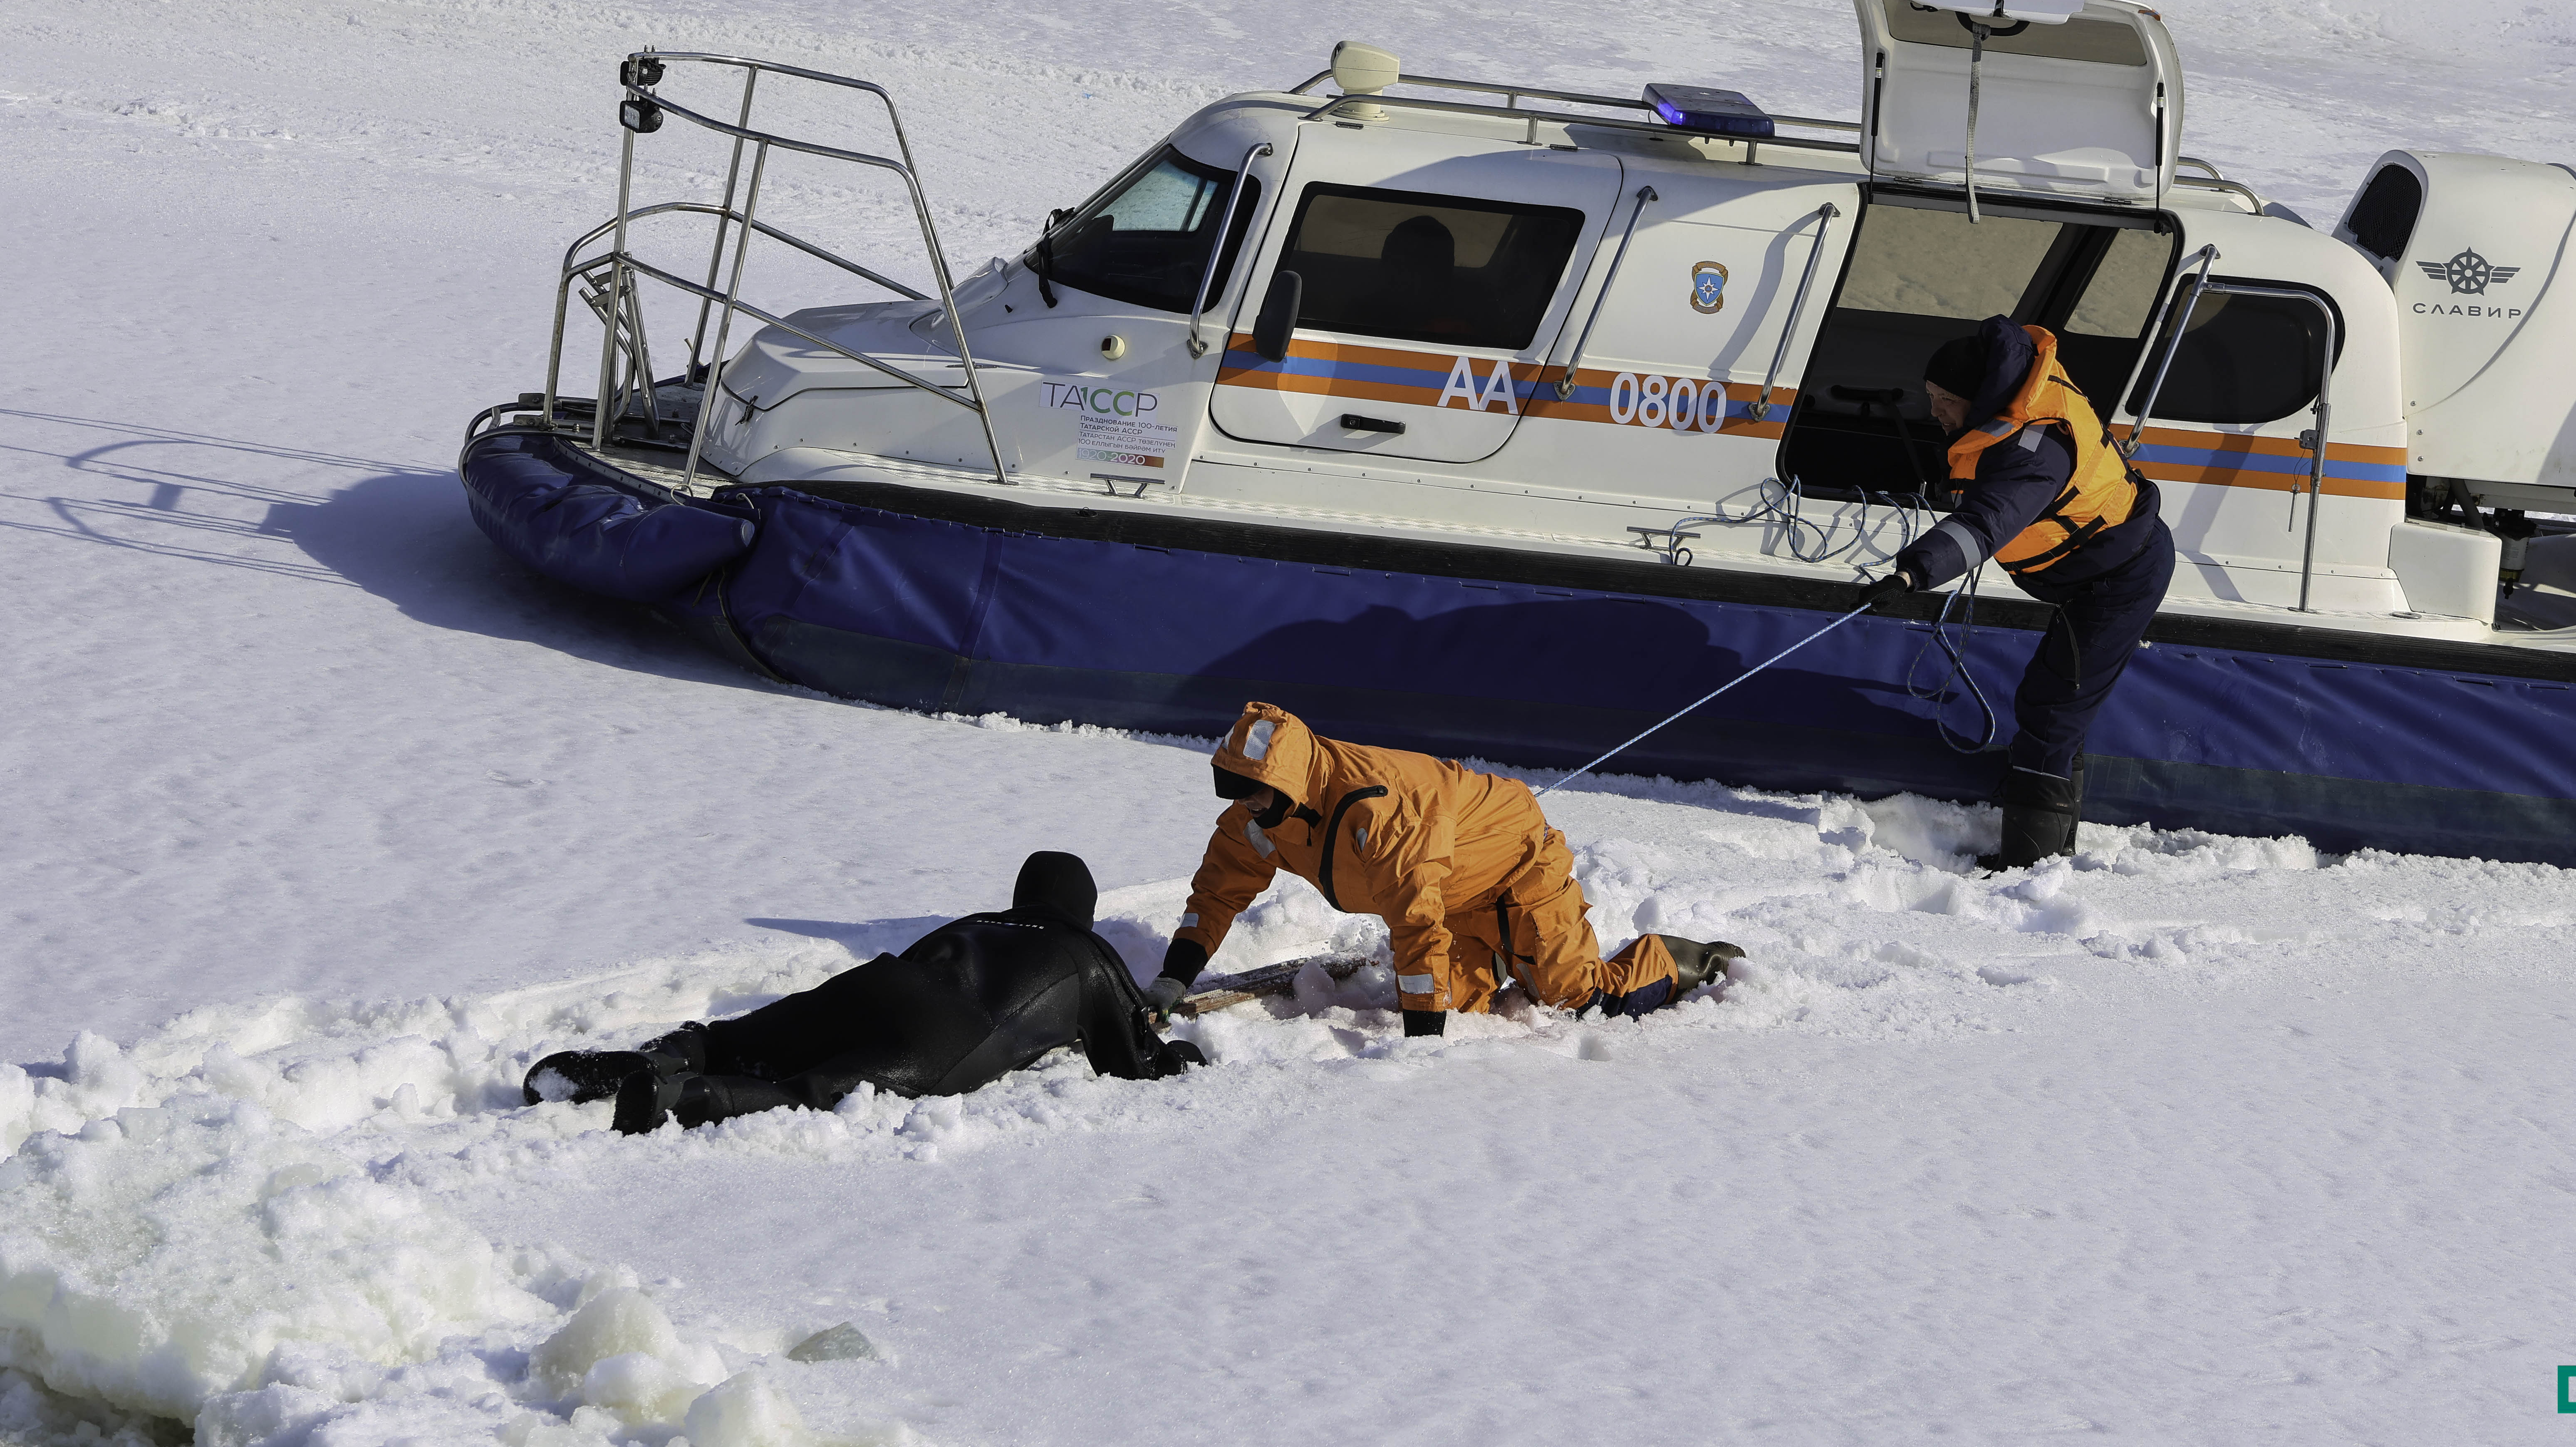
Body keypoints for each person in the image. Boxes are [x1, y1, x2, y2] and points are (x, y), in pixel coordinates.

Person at [1149, 703, 1743, 1033]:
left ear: (1292, 785)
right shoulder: (1259, 817)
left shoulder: (1376, 812)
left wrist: (1422, 1049)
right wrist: (1177, 974)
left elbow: (1415, 923)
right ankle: (1497, 969)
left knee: (1578, 1004)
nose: (1245, 806)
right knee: (1451, 1004)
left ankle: (1687, 961)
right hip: (1450, 894)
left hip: (1516, 870)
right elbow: (1218, 892)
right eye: (1238, 792)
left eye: (1254, 793)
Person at [524, 851, 1200, 1134]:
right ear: (1082, 908)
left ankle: (650, 1059)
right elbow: (1132, 1064)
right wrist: (1181, 1057)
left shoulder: (977, 923)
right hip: (945, 1035)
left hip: (881, 983)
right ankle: (676, 1100)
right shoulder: (1089, 955)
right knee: (817, 1091)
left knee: (743, 1039)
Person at [1879, 314, 2177, 869]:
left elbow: (1988, 522)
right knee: (2056, 699)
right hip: (2086, 577)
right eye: (1930, 397)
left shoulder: (2035, 449)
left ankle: (2031, 866)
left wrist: (1913, 573)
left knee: (2053, 710)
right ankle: (2047, 845)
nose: (1935, 412)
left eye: (1943, 399)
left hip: (2122, 576)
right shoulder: (2002, 425)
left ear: (1975, 396)